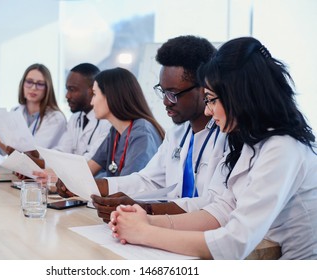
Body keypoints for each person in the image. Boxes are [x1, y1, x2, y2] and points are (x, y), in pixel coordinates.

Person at [109, 37, 317, 259]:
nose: (208, 111)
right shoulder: (251, 142)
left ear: (240, 95)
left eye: (211, 100)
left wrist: (144, 232)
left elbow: (233, 243)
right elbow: (221, 210)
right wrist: (148, 220)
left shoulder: (282, 148)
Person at [91, 35, 224, 221]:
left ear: (204, 88)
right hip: (173, 227)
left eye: (173, 93)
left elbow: (215, 204)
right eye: (163, 91)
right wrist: (95, 186)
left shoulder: (227, 137)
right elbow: (148, 180)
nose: (166, 102)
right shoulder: (178, 134)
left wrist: (146, 209)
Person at [0, 63, 66, 156]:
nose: (33, 87)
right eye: (29, 82)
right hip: (18, 171)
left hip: (41, 172)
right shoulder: (15, 111)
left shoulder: (55, 118)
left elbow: (32, 155)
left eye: (40, 84)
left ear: (47, 88)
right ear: (23, 84)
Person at [56, 63, 111, 160]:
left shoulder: (108, 122)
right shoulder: (75, 118)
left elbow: (92, 160)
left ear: (93, 90)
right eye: (67, 89)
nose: (67, 96)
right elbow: (62, 151)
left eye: (72, 89)